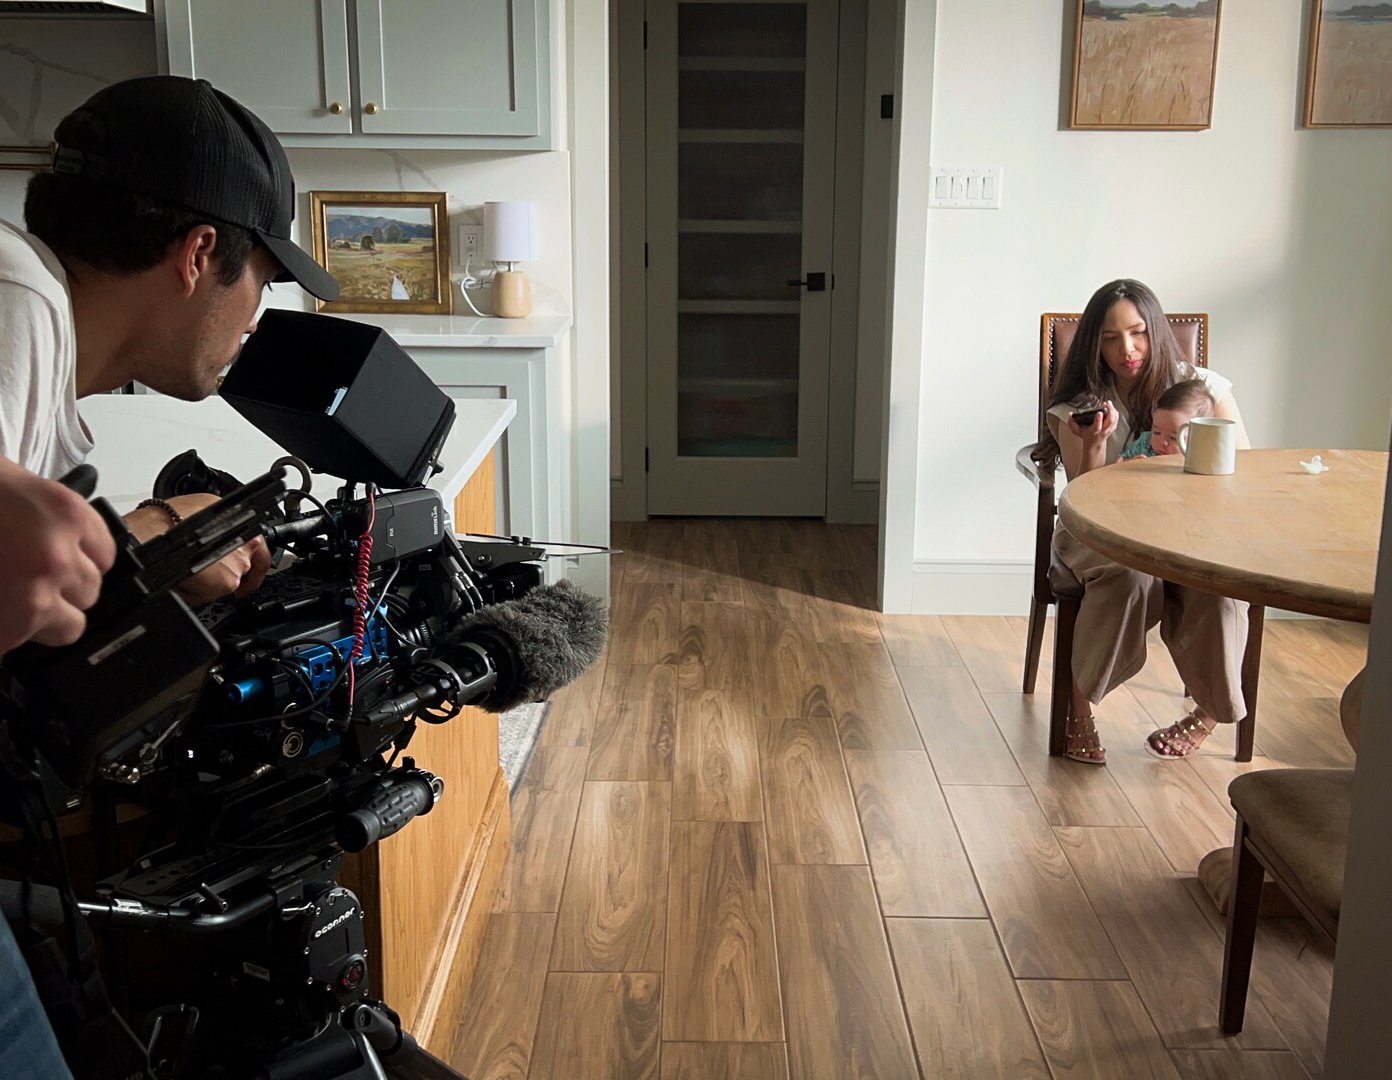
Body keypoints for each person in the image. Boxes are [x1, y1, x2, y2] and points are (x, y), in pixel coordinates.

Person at [0, 75, 339, 1078]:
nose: (257, 317)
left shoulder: (43, 347)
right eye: (263, 281)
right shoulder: (14, 295)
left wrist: (145, 544)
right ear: (200, 255)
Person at [1033, 279, 1252, 764]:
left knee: (1218, 582)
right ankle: (1079, 705)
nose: (1126, 350)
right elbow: (1083, 501)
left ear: (1156, 331)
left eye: (1137, 333)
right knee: (1130, 575)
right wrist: (1094, 444)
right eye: (1110, 338)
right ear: (1094, 342)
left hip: (1187, 528)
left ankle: (1210, 711)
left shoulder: (1203, 389)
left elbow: (1244, 468)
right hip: (1101, 532)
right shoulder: (1078, 406)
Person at [1117, 377, 1216, 461]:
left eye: (1174, 438)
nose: (1162, 442)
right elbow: (1118, 464)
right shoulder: (1144, 443)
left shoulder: (1200, 457)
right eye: (1156, 432)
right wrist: (1130, 464)